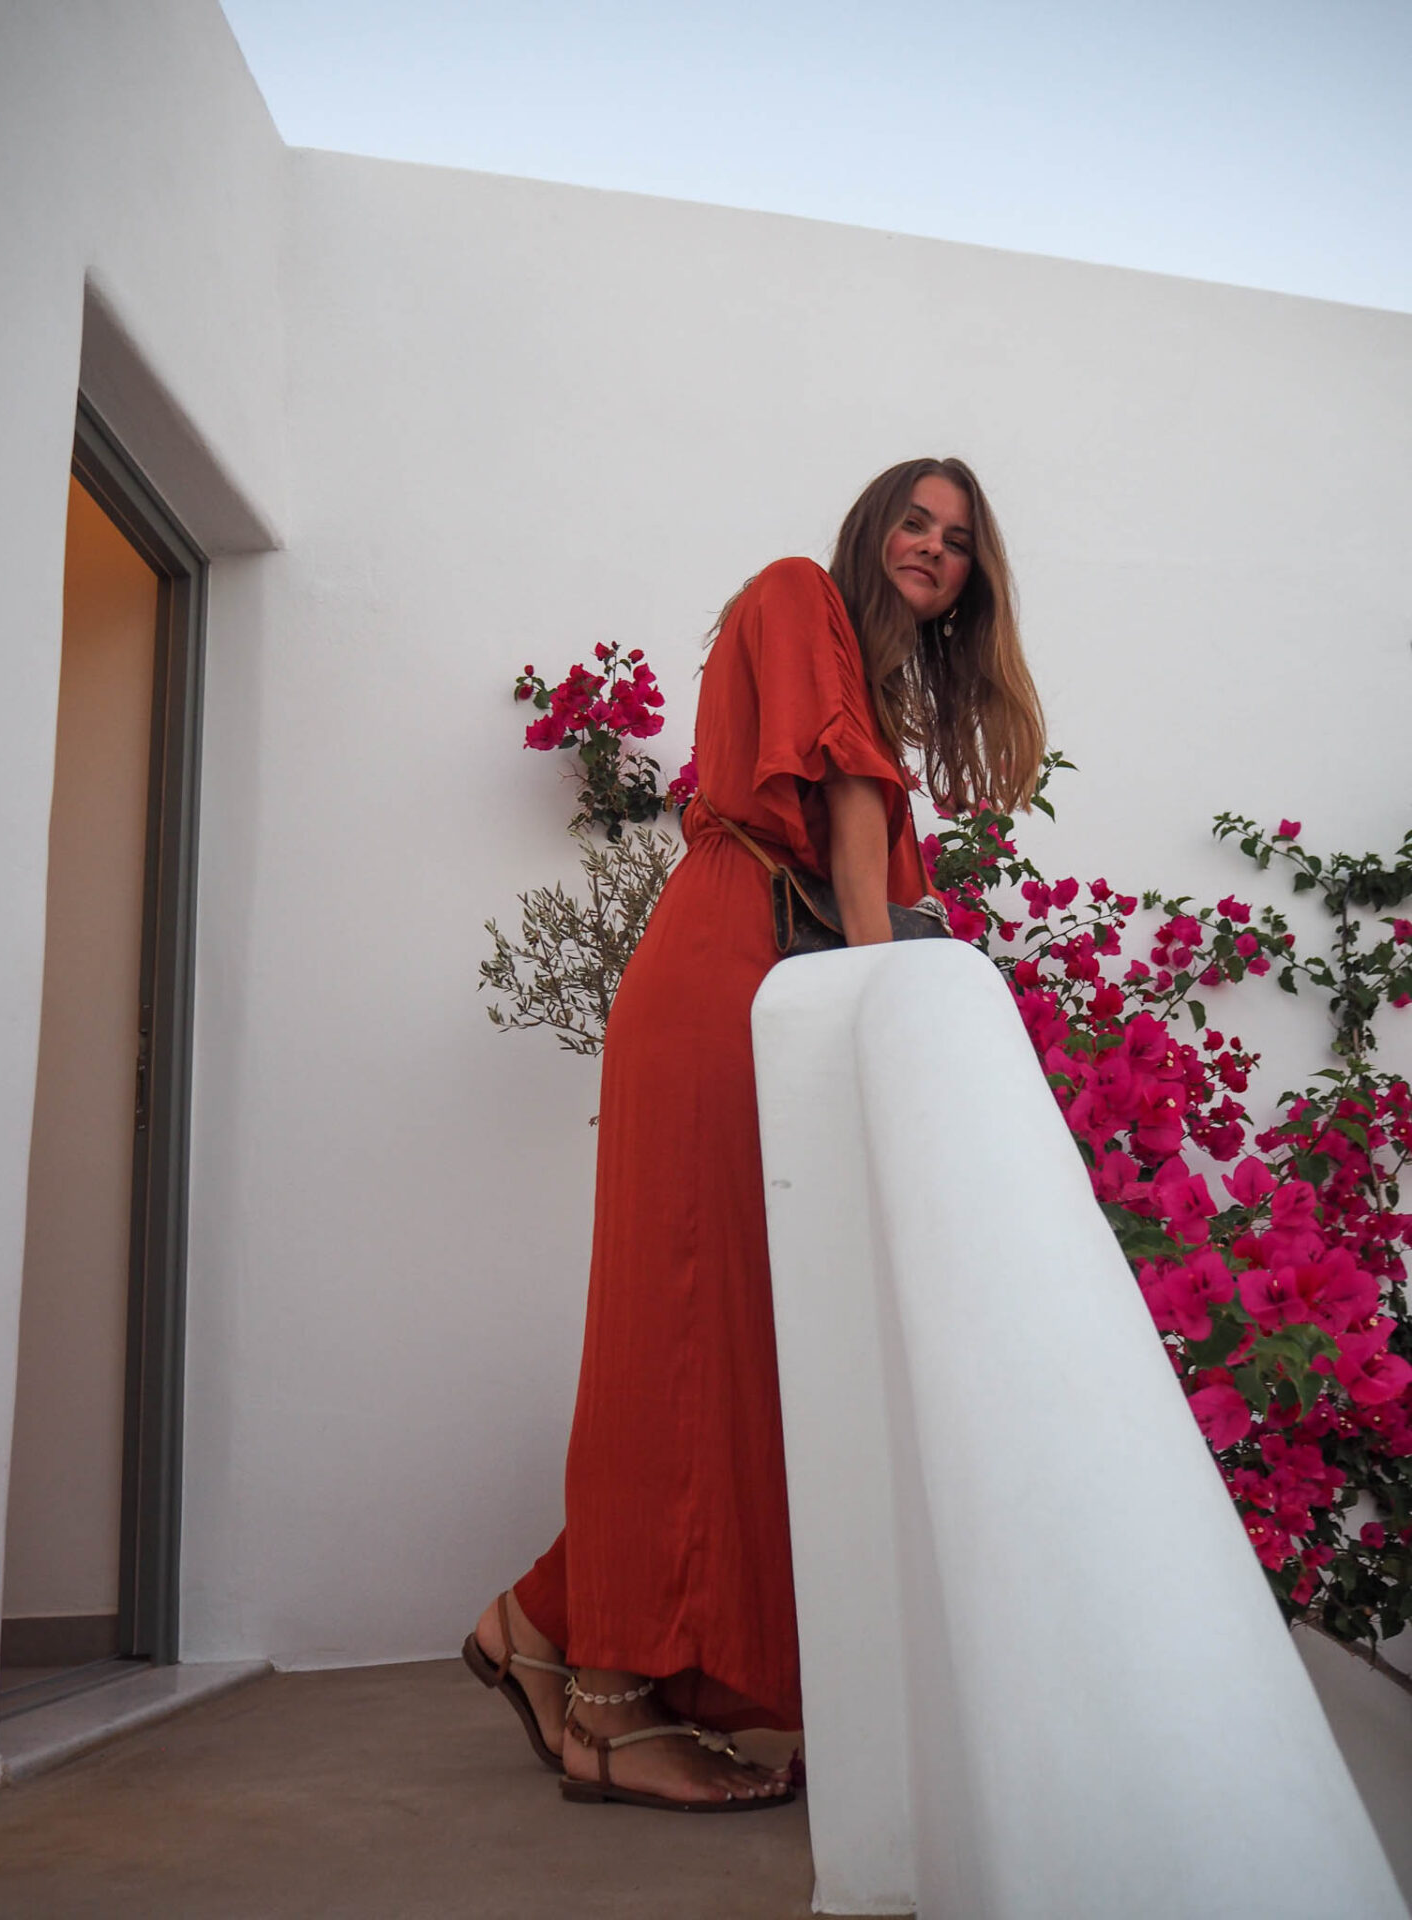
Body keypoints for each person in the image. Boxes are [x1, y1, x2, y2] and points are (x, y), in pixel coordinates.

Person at [466, 457, 1046, 1811]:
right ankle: (605, 1707)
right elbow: (849, 829)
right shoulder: (798, 594)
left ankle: (545, 1626)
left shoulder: (871, 679)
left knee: (736, 1341)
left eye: (959, 540)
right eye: (916, 519)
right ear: (871, 527)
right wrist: (878, 1019)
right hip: (729, 987)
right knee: (685, 1332)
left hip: (765, 991)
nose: (934, 548)